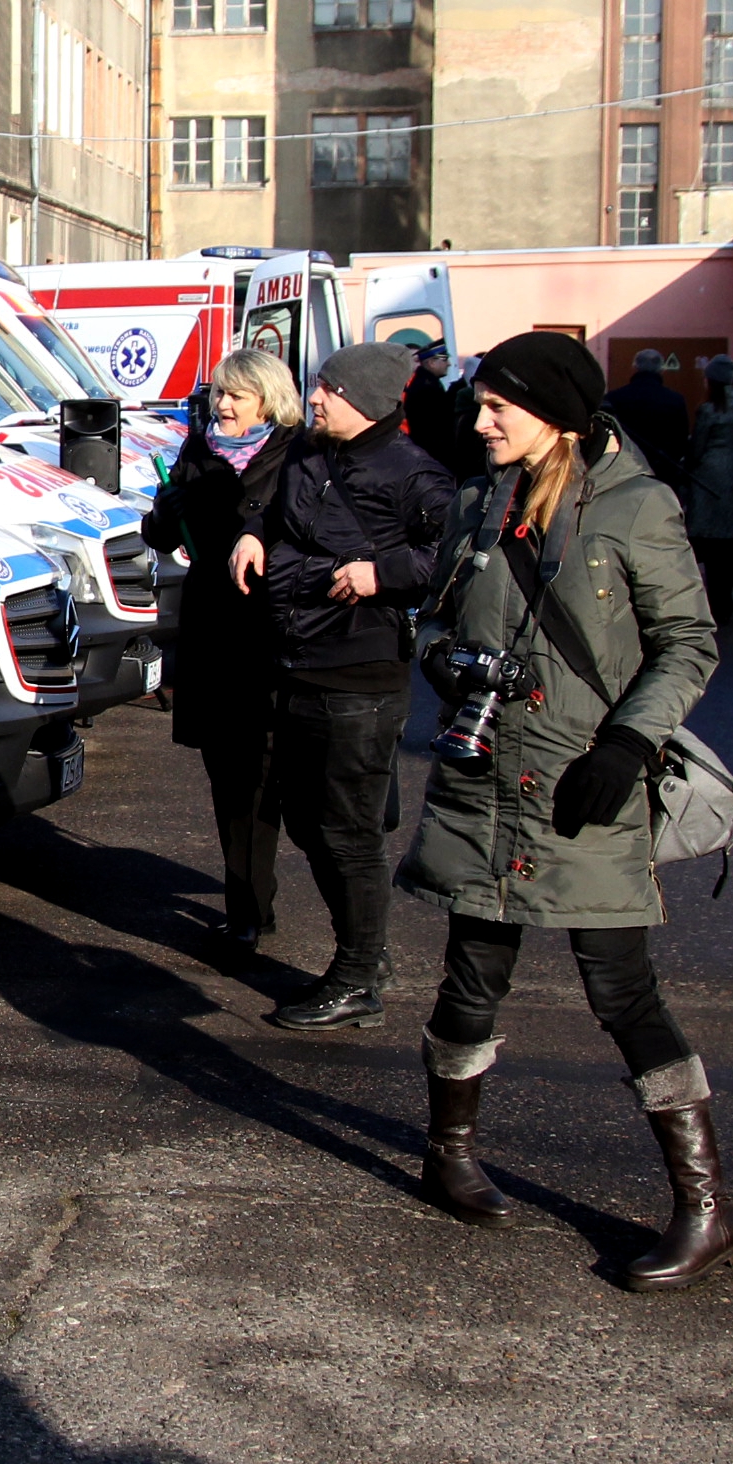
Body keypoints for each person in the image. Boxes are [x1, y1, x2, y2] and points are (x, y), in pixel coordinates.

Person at [393, 329, 733, 1291]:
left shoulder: (635, 506)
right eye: (480, 402)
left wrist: (629, 745)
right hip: (483, 777)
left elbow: (689, 643)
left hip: (588, 781)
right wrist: (444, 659)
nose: (479, 418)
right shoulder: (475, 500)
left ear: (555, 415)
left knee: (622, 993)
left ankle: (707, 1208)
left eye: (500, 406)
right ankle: (448, 1156)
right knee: (471, 977)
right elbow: (433, 616)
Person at [229, 339, 454, 1031]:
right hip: (296, 659)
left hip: (361, 673)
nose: (315, 397)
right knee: (307, 818)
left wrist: (381, 575)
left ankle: (358, 976)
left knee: (347, 829)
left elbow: (453, 552)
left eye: (328, 388)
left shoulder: (415, 473)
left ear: (367, 401)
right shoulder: (308, 452)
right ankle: (365, 952)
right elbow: (274, 509)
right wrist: (253, 533)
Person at [152, 347, 299, 950]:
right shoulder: (198, 449)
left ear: (268, 399)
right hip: (213, 621)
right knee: (227, 770)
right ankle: (247, 905)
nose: (224, 405)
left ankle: (253, 901)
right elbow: (159, 534)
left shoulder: (296, 451)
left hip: (272, 625)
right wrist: (167, 511)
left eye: (237, 395)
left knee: (265, 771)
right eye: (219, 394)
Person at [684, 355, 733, 627]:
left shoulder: (710, 408)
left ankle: (700, 601)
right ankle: (724, 600)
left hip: (708, 476)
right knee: (726, 546)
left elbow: (698, 445)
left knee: (703, 540)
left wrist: (689, 465)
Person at [605, 347, 692, 490]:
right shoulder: (675, 400)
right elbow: (681, 439)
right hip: (663, 471)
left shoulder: (614, 398)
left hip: (625, 470)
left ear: (635, 367)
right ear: (661, 369)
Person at [405, 338, 480, 484]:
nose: (449, 364)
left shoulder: (427, 383)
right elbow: (439, 425)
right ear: (431, 362)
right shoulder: (427, 389)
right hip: (435, 457)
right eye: (444, 359)